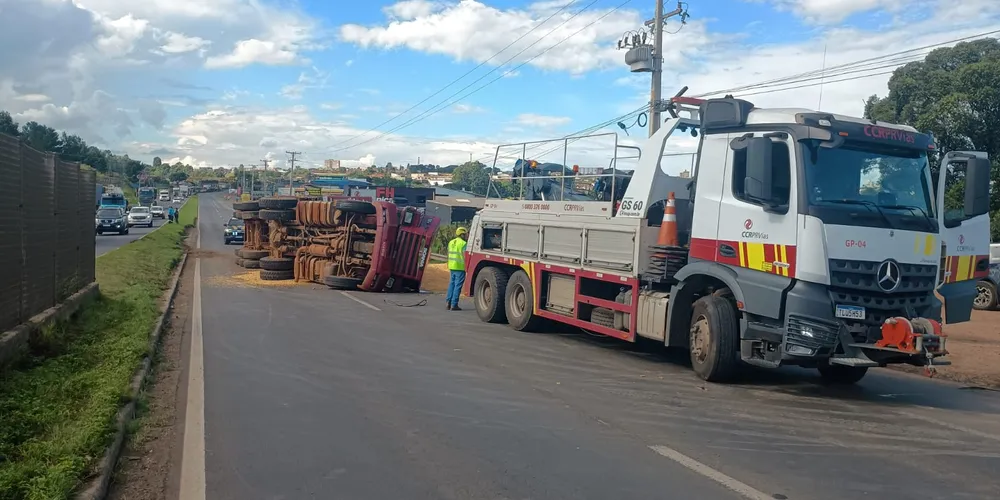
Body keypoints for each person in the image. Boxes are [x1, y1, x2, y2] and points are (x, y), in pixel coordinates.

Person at [446, 227, 469, 311]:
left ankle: (448, 302)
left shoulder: (451, 242)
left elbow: (448, 254)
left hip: (452, 266)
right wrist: (467, 267)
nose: (466, 236)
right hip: (460, 267)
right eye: (465, 234)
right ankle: (454, 304)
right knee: (457, 286)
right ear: (462, 235)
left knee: (451, 284)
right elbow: (465, 256)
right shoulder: (463, 243)